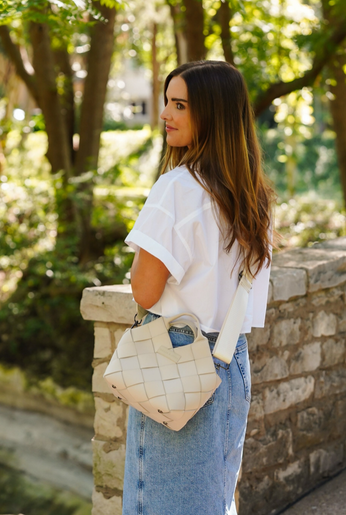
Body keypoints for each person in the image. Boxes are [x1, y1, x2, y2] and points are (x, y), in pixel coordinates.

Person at [122, 60, 275, 515]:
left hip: (176, 363)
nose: (165, 114)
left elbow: (145, 292)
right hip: (232, 362)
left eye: (180, 105)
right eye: (167, 101)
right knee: (213, 501)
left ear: (213, 114)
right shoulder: (253, 195)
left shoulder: (177, 188)